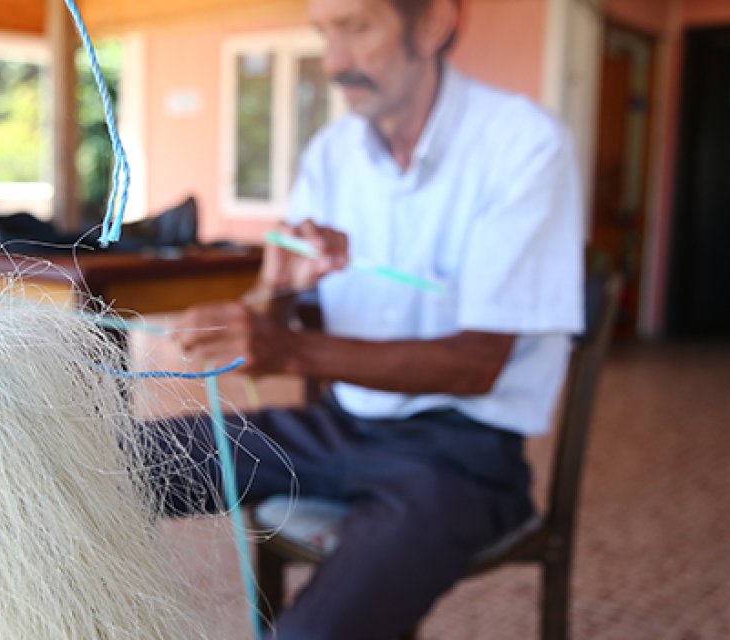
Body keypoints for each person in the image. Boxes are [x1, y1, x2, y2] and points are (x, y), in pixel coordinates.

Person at [167, 0, 584, 636]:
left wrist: (287, 349)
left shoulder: (522, 144)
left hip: (462, 457)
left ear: (434, 22)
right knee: (112, 465)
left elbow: (477, 365)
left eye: (357, 27)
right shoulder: (332, 153)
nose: (334, 62)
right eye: (324, 33)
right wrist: (279, 287)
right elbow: (280, 315)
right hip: (340, 425)